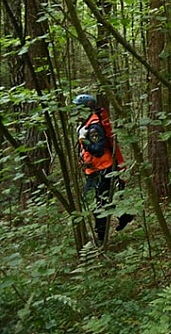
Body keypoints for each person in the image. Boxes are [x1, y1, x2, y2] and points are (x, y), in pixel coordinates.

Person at [73, 94, 134, 246]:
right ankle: (125, 216)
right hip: (94, 170)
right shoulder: (86, 124)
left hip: (103, 169)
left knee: (100, 204)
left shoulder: (94, 127)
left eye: (78, 109)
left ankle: (100, 239)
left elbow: (98, 150)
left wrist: (84, 140)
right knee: (96, 201)